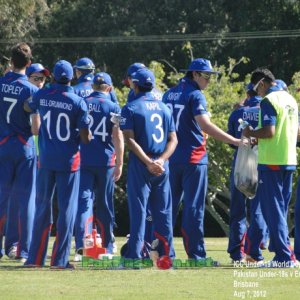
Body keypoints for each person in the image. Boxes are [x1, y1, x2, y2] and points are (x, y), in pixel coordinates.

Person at [163, 58, 241, 260]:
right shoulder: (195, 95)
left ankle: (164, 252)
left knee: (167, 207)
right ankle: (196, 255)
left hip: (171, 157)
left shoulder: (168, 93)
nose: (209, 80)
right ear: (195, 74)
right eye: (206, 75)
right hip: (193, 158)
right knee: (193, 208)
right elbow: (205, 126)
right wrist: (234, 140)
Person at [24, 60, 91, 269]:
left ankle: (35, 259)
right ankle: (59, 261)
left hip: (46, 160)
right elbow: (86, 138)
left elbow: (27, 106)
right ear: (71, 78)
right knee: (67, 210)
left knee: (42, 207)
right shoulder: (77, 102)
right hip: (69, 162)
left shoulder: (42, 95)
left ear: (53, 76)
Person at [120, 68, 177, 262]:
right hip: (162, 165)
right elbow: (174, 140)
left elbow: (129, 140)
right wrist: (161, 160)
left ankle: (134, 257)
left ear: (135, 85)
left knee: (139, 211)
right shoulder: (164, 107)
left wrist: (148, 162)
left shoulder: (130, 107)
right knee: (163, 213)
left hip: (141, 163)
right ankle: (166, 256)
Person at [243, 68, 298, 267]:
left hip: (271, 161)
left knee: (272, 210)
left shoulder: (269, 101)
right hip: (289, 160)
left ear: (263, 83)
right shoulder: (291, 99)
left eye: (257, 87)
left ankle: (284, 257)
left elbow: (269, 131)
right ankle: (283, 254)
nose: (257, 92)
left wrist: (251, 132)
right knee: (280, 209)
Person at [74, 72, 124, 261]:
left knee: (84, 203)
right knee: (105, 204)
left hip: (84, 160)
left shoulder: (82, 102)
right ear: (109, 89)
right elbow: (117, 136)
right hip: (105, 162)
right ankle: (107, 246)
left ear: (93, 87)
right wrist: (120, 162)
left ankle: (82, 244)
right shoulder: (114, 107)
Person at [0, 43, 38, 262]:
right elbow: (35, 128)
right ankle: (23, 251)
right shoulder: (32, 90)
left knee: (1, 198)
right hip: (24, 147)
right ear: (29, 64)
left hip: (3, 145)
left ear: (11, 62)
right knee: (26, 201)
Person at [227, 83, 268, 263]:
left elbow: (231, 141)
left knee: (237, 210)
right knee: (258, 209)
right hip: (261, 163)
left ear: (248, 94)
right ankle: (254, 253)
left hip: (240, 163)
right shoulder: (267, 110)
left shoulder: (237, 113)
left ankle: (237, 254)